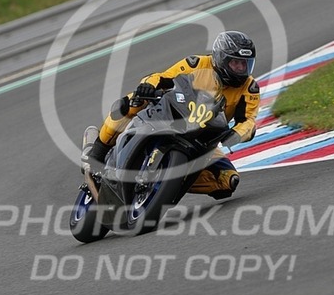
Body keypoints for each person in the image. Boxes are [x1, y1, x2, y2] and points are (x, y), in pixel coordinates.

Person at [84, 30, 260, 199]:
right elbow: (163, 77)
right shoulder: (196, 63)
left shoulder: (249, 88)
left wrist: (237, 134)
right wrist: (148, 85)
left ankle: (167, 183)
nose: (241, 69)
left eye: (245, 64)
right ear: (221, 59)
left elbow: (248, 121)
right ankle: (97, 151)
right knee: (131, 103)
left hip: (205, 139)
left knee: (228, 181)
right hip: (173, 114)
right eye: (235, 63)